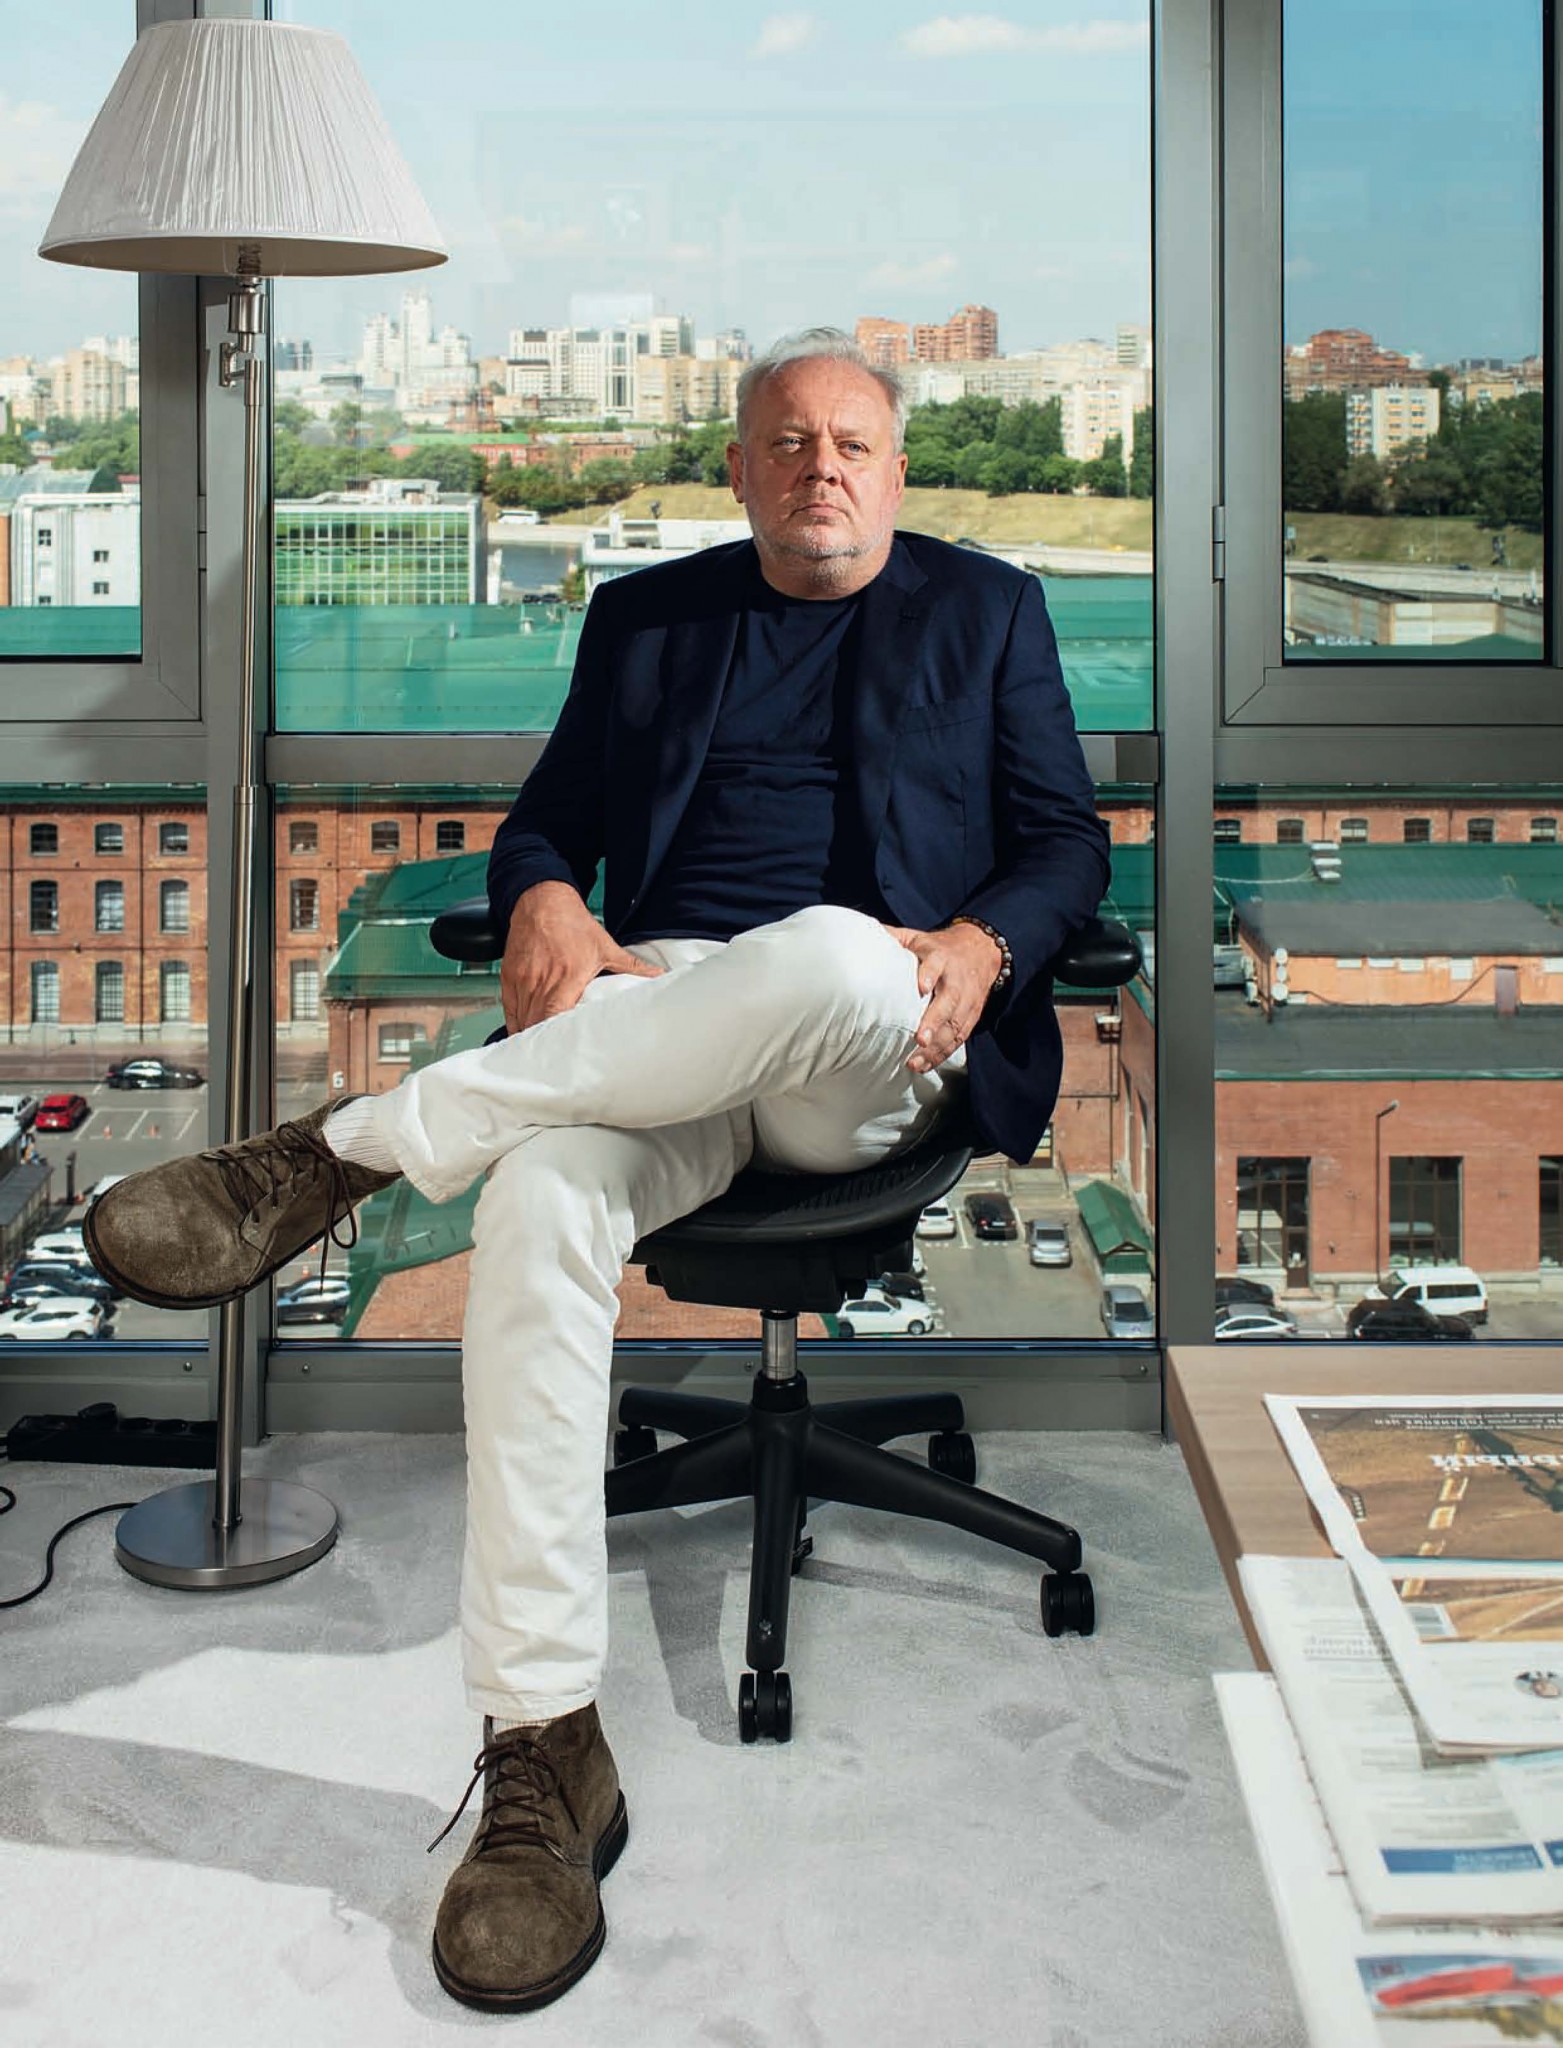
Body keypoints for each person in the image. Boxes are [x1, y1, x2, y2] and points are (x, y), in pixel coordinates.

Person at [84, 327, 1111, 2015]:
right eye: (790, 442)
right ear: (742, 468)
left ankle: (343, 1153)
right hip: (666, 1021)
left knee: (830, 950)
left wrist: (990, 944)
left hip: (876, 1032)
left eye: (853, 442)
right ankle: (545, 1747)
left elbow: (1065, 840)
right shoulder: (649, 619)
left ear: (896, 470)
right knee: (541, 1200)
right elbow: (545, 824)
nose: (823, 467)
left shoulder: (988, 610)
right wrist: (551, 893)